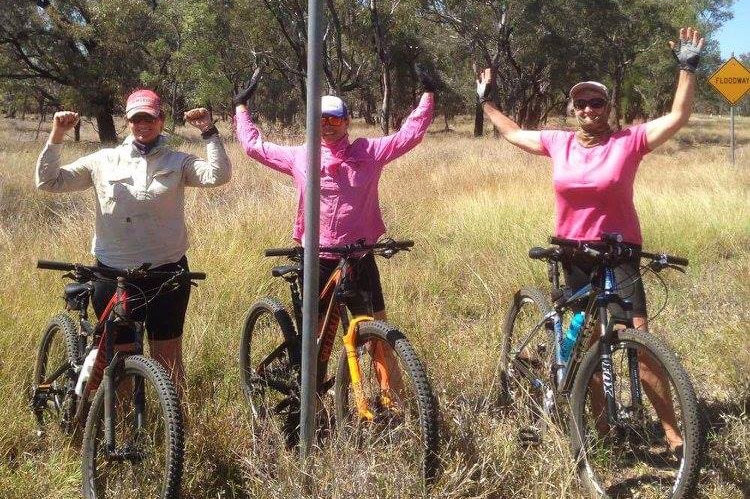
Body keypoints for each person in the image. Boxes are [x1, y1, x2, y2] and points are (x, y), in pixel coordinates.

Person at [476, 26, 704, 454]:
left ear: (607, 106)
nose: (587, 108)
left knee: (640, 341)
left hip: (619, 253)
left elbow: (677, 118)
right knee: (590, 345)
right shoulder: (558, 143)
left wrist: (688, 69)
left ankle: (673, 434)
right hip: (573, 252)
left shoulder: (629, 140)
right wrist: (487, 101)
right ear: (572, 108)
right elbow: (511, 133)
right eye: (580, 102)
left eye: (595, 102)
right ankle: (604, 433)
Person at [234, 66, 439, 394]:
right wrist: (241, 109)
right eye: (320, 119)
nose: (327, 125)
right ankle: (310, 400)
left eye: (334, 118)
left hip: (359, 255)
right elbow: (254, 147)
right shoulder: (301, 156)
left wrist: (427, 97)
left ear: (346, 121)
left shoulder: (368, 153)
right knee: (316, 338)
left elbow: (407, 136)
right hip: (317, 258)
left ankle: (393, 402)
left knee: (378, 333)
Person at [35, 89, 231, 391]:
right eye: (137, 118)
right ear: (127, 122)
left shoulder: (178, 161)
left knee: (169, 358)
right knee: (119, 361)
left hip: (167, 273)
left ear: (161, 120)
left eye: (149, 118)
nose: (143, 124)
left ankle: (175, 424)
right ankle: (124, 431)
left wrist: (209, 130)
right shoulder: (103, 160)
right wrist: (57, 134)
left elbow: (218, 175)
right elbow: (49, 181)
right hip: (114, 274)